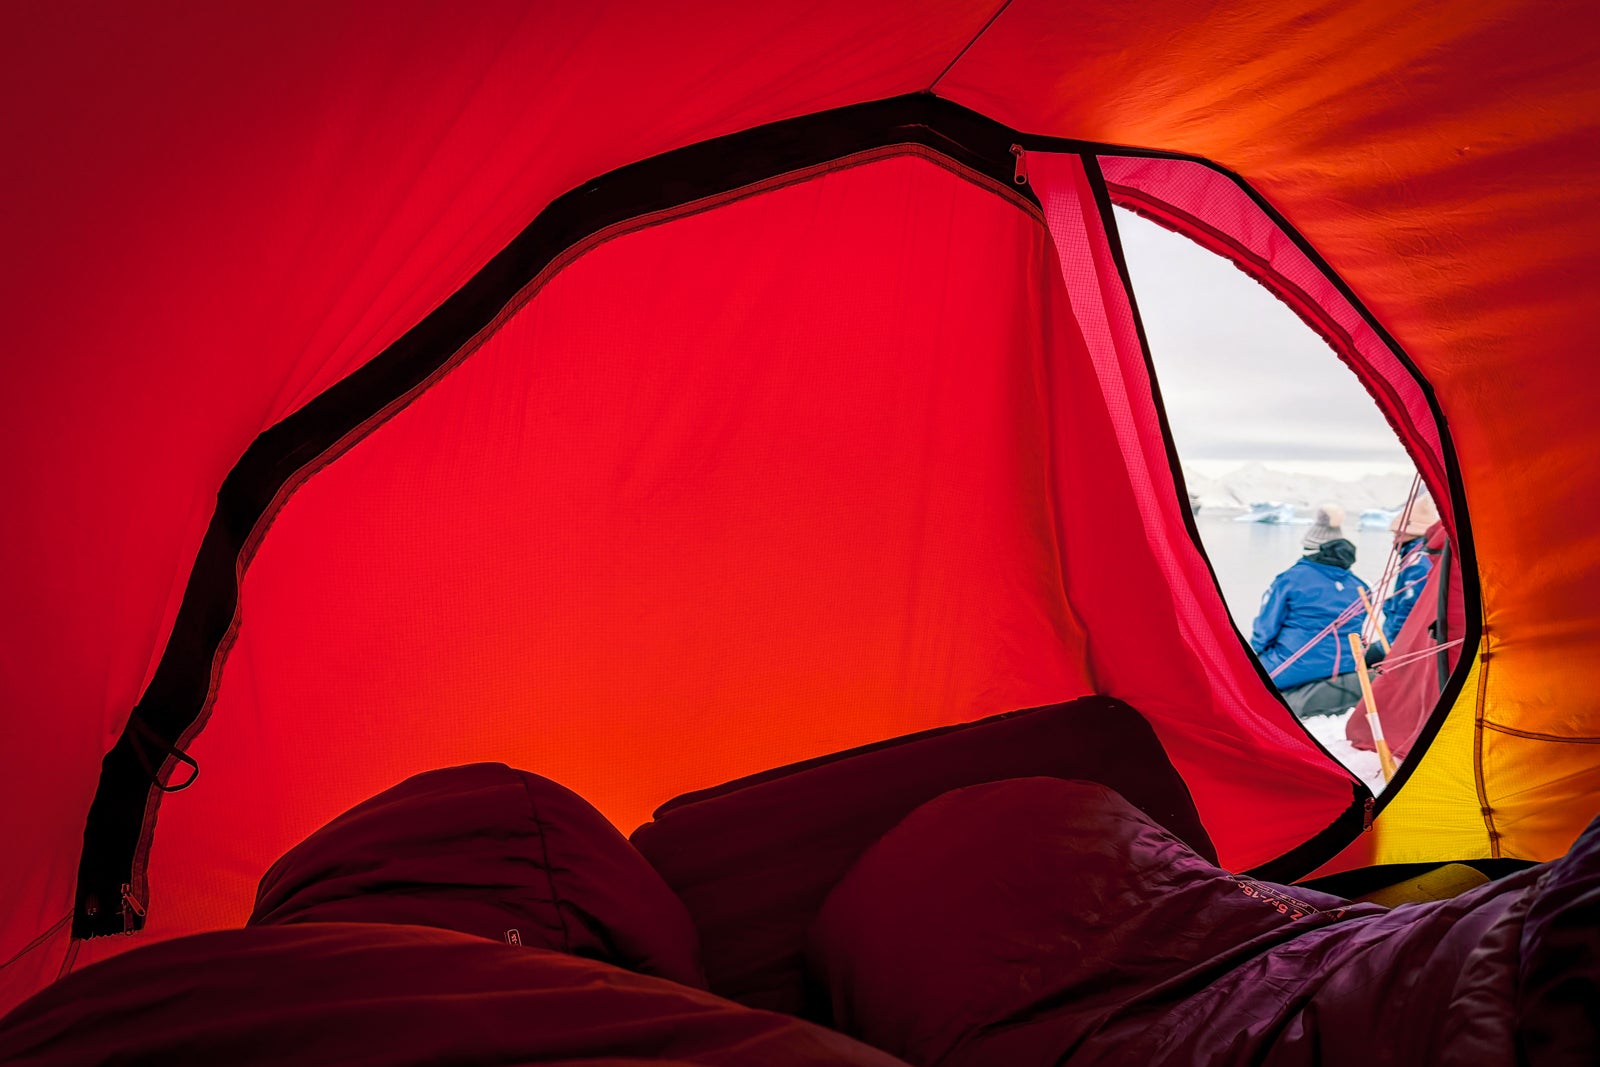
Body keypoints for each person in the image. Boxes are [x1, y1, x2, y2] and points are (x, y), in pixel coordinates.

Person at [1250, 504, 1372, 716]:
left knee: (1244, 674)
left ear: (1310, 549)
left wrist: (1259, 652)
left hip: (1294, 666)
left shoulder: (1290, 580)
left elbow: (1264, 631)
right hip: (1346, 665)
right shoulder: (1361, 586)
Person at [1380, 494, 1439, 644]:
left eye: (1398, 534)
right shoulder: (1424, 557)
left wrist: (1391, 644)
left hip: (1401, 641)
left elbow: (1409, 606)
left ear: (1412, 534)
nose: (1394, 540)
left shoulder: (1417, 562)